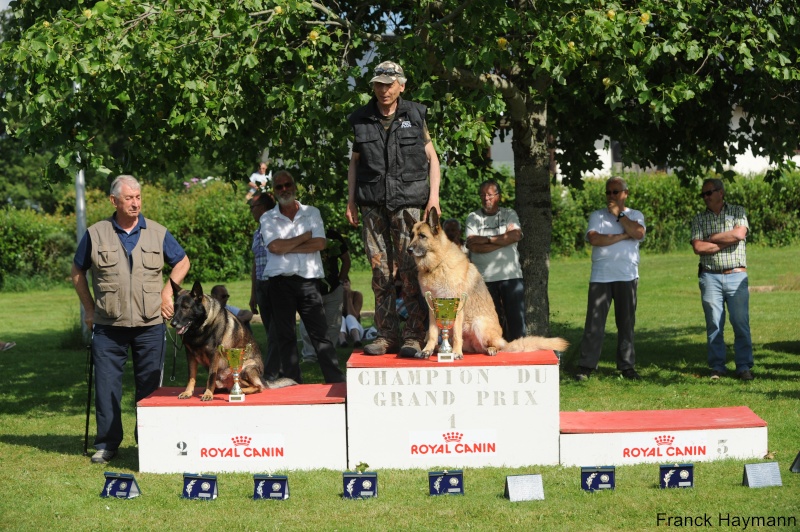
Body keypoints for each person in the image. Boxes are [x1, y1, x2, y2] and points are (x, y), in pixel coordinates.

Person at [71, 175, 190, 464]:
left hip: (149, 324)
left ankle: (147, 443)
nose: (135, 203)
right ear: (114, 201)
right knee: (107, 386)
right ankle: (108, 444)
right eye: (129, 198)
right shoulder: (96, 233)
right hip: (108, 326)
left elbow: (182, 262)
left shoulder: (158, 232)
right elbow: (77, 272)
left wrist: (167, 294)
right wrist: (89, 309)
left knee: (150, 388)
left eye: (138, 197)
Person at [346, 59, 441, 358]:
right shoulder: (361, 118)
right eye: (378, 84)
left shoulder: (415, 113)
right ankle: (386, 335)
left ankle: (413, 335)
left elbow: (433, 159)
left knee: (412, 271)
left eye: (388, 85)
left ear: (401, 86)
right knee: (380, 273)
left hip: (410, 205)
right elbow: (355, 163)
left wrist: (434, 198)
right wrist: (350, 200)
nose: (383, 90)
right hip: (372, 204)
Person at [261, 170, 344, 383]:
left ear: (295, 186)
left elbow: (320, 243)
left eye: (287, 185)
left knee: (320, 335)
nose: (284, 190)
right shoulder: (267, 217)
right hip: (280, 283)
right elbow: (275, 246)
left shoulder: (311, 212)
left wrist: (289, 245)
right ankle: (292, 382)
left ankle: (335, 380)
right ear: (274, 190)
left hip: (308, 281)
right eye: (279, 187)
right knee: (285, 337)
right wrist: (305, 237)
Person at [574, 177, 646, 381]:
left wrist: (619, 215)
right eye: (608, 192)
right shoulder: (597, 216)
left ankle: (627, 366)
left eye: (616, 192)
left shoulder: (635, 215)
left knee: (626, 324)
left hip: (627, 276)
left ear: (625, 193)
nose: (611, 196)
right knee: (594, 324)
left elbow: (638, 233)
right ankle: (586, 366)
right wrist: (624, 236)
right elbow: (595, 239)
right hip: (601, 277)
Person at [691, 178, 754, 381]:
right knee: (714, 324)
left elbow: (739, 234)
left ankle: (743, 366)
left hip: (736, 274)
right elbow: (698, 248)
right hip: (710, 276)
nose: (706, 197)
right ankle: (717, 367)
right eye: (703, 194)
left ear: (721, 192)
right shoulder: (699, 218)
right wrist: (727, 240)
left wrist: (711, 237)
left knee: (740, 322)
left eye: (709, 193)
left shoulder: (738, 211)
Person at [465, 180, 526, 341]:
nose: (486, 198)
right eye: (483, 195)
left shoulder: (509, 214)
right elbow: (473, 246)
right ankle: (495, 356)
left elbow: (515, 235)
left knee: (517, 323)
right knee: (490, 323)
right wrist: (503, 241)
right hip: (483, 280)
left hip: (510, 276)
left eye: (490, 195)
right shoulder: (473, 217)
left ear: (498, 196)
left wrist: (487, 240)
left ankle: (519, 355)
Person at [299, 228, 350, 362]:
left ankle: (328, 355)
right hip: (310, 288)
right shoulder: (302, 234)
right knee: (307, 324)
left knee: (333, 325)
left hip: (333, 287)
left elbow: (346, 260)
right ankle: (310, 356)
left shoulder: (333, 235)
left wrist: (340, 281)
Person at [247, 192, 281, 380]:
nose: (251, 211)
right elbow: (255, 263)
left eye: (252, 207)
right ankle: (279, 368)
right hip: (261, 286)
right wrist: (253, 294)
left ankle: (270, 373)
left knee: (277, 332)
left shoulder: (278, 229)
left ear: (263, 208)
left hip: (276, 284)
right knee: (271, 332)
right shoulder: (256, 232)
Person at [339, 279, 365, 347]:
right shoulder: (336, 298)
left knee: (349, 317)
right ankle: (343, 342)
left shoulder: (357, 295)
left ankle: (357, 340)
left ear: (350, 283)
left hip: (357, 331)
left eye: (346, 281)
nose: (344, 284)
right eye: (342, 283)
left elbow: (354, 316)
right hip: (341, 333)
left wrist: (349, 297)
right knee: (340, 318)